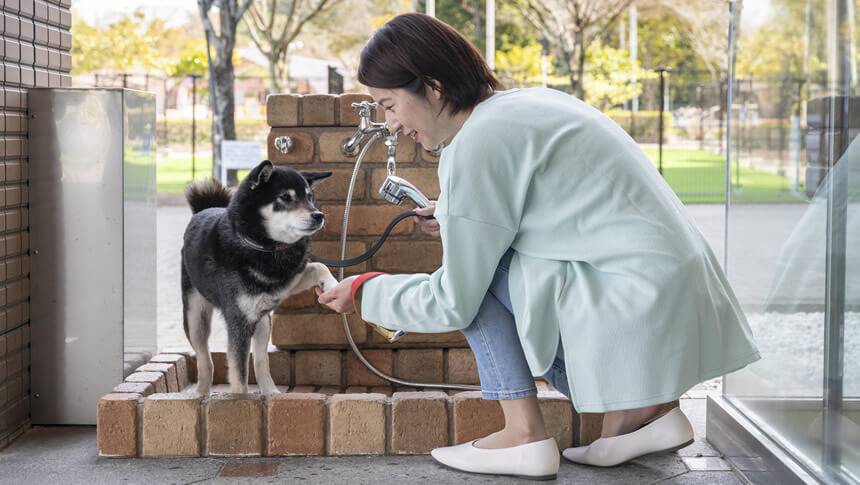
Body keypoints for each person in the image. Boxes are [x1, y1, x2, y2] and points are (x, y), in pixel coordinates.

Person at [315, 12, 760, 480]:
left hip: (633, 306)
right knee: (492, 265)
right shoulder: (526, 105)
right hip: (663, 299)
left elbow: (454, 300)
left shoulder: (475, 144)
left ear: (433, 86)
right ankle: (639, 416)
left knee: (476, 282)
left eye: (388, 105)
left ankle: (522, 435)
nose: (391, 125)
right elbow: (568, 210)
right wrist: (453, 216)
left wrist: (366, 291)